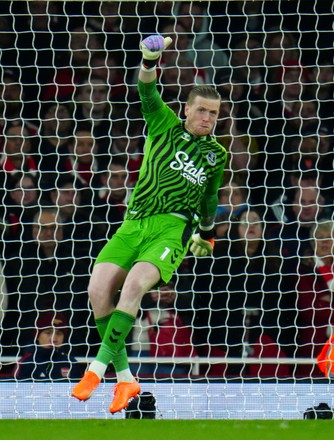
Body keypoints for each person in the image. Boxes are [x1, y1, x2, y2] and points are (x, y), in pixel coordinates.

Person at [72, 34, 226, 413]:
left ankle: (96, 370)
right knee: (97, 292)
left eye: (215, 114)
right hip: (133, 223)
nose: (208, 119)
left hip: (172, 229)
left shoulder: (215, 154)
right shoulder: (163, 123)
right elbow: (146, 90)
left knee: (136, 285)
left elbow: (210, 199)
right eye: (202, 110)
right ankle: (125, 380)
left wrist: (206, 235)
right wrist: (149, 61)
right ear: (186, 110)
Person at [295, 220, 334, 377]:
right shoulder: (304, 270)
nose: (324, 241)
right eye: (320, 237)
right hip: (313, 346)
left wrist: (328, 300)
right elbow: (310, 310)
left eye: (329, 237)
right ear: (312, 242)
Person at [14, 311, 82, 381]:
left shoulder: (71, 362)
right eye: (48, 333)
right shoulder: (26, 362)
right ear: (37, 336)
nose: (53, 339)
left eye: (59, 333)